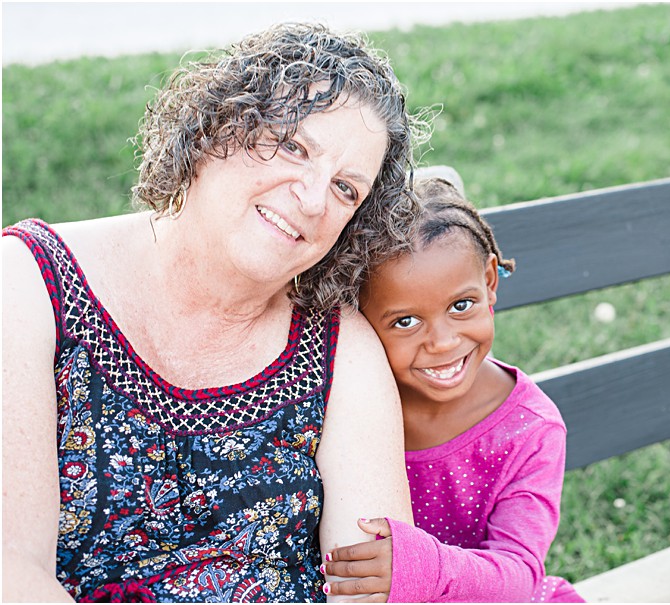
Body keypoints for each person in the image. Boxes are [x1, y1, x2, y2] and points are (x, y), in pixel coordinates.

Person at [2, 22, 425, 602]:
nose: (311, 198)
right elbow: (11, 572)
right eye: (293, 145)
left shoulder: (338, 350)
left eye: (346, 189)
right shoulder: (29, 284)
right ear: (215, 128)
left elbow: (368, 588)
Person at [322, 177, 584, 602]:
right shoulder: (352, 402)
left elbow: (519, 577)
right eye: (405, 321)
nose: (443, 342)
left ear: (489, 282)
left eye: (461, 306)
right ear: (359, 316)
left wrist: (422, 567)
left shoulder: (529, 431)